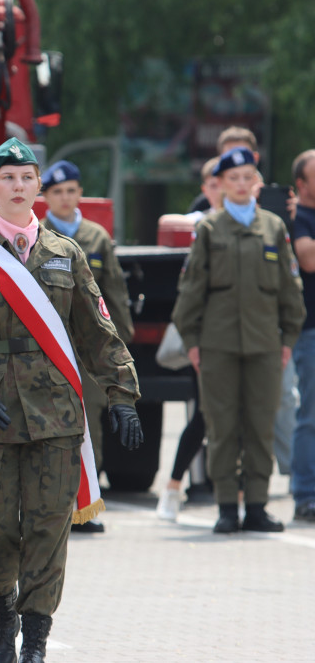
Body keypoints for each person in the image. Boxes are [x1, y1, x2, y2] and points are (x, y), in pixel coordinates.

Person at [0, 138, 143, 663]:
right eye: (7, 179)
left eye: (26, 177)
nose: (18, 187)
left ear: (38, 185)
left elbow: (98, 333)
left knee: (48, 527)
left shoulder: (67, 255)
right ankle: (3, 610)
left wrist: (122, 395)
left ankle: (36, 639)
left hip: (57, 416)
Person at [171, 146, 305, 534]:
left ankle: (258, 506)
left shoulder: (273, 227)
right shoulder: (210, 230)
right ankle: (228, 506)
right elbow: (191, 291)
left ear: (257, 183)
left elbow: (289, 288)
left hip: (265, 345)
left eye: (249, 177)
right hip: (218, 346)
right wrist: (193, 342)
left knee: (261, 424)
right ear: (222, 185)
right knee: (223, 425)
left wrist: (287, 339)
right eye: (234, 179)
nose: (242, 185)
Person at [40, 160, 135, 534]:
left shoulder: (96, 236)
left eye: (71, 190)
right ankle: (58, 508)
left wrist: (121, 341)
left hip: (88, 347)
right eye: (57, 192)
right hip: (51, 343)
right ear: (45, 197)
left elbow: (115, 293)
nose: (65, 198)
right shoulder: (36, 234)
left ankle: (87, 507)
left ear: (81, 193)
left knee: (89, 424)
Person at [155, 156, 221, 521]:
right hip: (211, 336)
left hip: (249, 335)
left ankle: (236, 496)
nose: (223, 189)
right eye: (214, 182)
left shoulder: (262, 222)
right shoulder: (202, 224)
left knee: (246, 418)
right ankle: (174, 486)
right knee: (205, 415)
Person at [289, 149, 315, 522]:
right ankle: (306, 493)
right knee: (310, 416)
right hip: (310, 331)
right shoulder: (297, 218)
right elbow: (308, 258)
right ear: (301, 184)